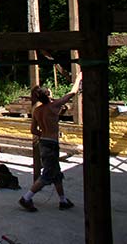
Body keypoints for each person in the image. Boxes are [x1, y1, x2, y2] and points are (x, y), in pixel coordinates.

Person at [19, 73, 82, 212]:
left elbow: (33, 130)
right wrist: (78, 78)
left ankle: (63, 200)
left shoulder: (37, 111)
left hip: (44, 142)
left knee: (56, 173)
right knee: (47, 174)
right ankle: (26, 198)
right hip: (52, 144)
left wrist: (44, 134)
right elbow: (72, 93)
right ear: (48, 95)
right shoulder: (53, 106)